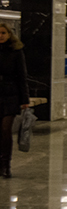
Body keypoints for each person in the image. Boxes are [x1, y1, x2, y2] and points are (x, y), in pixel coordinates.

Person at [0, 23, 30, 178]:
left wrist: (25, 99)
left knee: (6, 130)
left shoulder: (16, 52)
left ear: (9, 34)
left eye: (3, 32)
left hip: (11, 95)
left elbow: (22, 76)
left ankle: (6, 165)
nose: (1, 35)